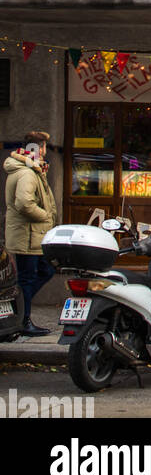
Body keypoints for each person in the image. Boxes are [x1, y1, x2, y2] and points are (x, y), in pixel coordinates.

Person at [3, 130, 57, 336]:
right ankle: (23, 320)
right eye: (43, 148)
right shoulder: (27, 172)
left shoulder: (32, 170)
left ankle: (17, 311)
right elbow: (25, 203)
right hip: (28, 235)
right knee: (28, 277)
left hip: (32, 235)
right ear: (36, 149)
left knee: (45, 271)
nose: (45, 152)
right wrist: (45, 216)